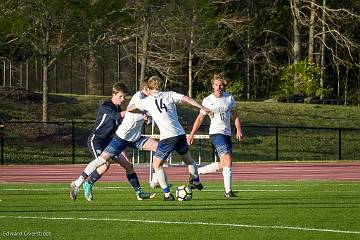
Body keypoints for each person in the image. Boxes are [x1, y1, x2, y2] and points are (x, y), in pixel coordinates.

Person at [127, 76, 213, 201]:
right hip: (180, 135)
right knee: (189, 160)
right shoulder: (170, 94)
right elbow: (187, 99)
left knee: (156, 165)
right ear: (161, 86)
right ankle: (195, 180)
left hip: (167, 138)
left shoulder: (147, 101)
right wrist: (202, 107)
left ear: (149, 89)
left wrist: (144, 114)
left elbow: (129, 109)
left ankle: (167, 194)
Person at [70, 82, 156, 201]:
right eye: (120, 96)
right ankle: (83, 183)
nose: (123, 99)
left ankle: (139, 192)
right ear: (113, 94)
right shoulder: (106, 105)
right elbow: (117, 116)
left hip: (111, 141)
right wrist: (138, 112)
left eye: (124, 97)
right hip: (96, 140)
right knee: (104, 164)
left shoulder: (118, 107)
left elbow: (120, 130)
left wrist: (123, 150)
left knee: (128, 165)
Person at [187, 74, 243, 198]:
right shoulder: (208, 100)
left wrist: (238, 129)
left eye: (221, 85)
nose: (219, 87)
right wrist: (191, 134)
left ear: (224, 86)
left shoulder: (229, 98)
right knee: (228, 160)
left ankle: (196, 172)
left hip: (226, 133)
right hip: (216, 133)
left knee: (224, 164)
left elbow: (235, 116)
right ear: (213, 86)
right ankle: (228, 191)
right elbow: (200, 118)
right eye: (216, 85)